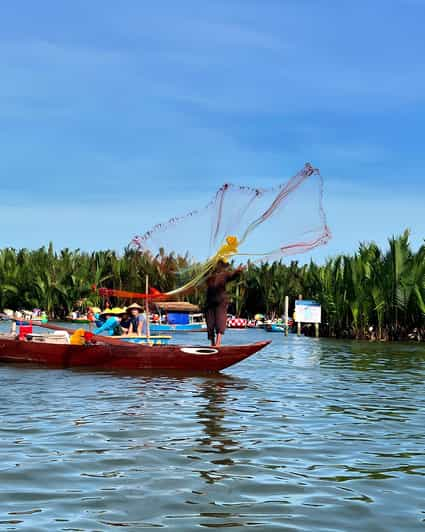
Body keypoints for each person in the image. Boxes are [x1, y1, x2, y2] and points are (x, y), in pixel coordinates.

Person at [204, 260, 244, 346]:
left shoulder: (224, 275)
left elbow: (232, 276)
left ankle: (218, 344)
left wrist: (238, 272)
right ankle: (212, 343)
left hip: (220, 302)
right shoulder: (208, 276)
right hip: (209, 302)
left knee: (220, 321)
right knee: (210, 323)